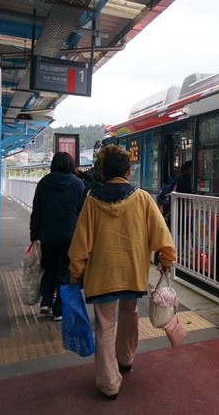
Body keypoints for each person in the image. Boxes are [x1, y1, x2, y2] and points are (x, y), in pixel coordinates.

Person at [67, 145, 176, 400]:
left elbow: (81, 242)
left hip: (101, 275)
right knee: (130, 313)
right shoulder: (142, 198)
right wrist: (166, 258)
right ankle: (125, 360)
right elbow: (162, 235)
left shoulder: (92, 200)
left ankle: (109, 384)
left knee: (105, 326)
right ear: (128, 171)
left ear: (102, 172)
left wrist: (76, 269)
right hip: (132, 272)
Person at [30, 151, 85, 321]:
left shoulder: (44, 183)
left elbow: (37, 211)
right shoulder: (77, 183)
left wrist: (34, 235)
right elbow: (82, 211)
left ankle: (46, 302)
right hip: (70, 235)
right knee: (64, 271)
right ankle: (58, 310)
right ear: (70, 165)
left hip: (48, 234)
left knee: (49, 269)